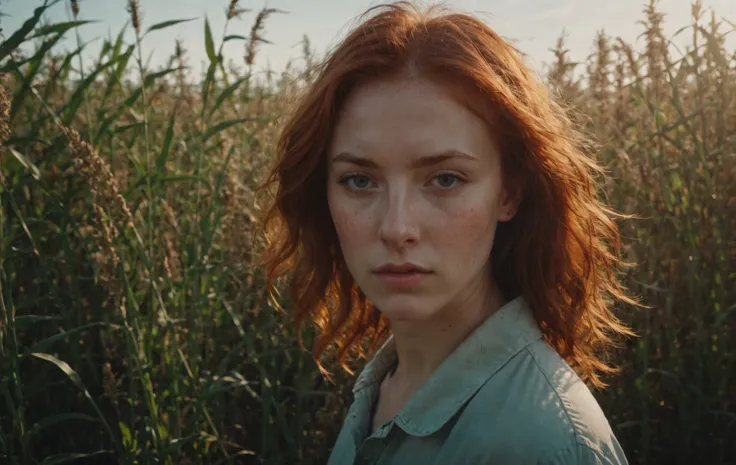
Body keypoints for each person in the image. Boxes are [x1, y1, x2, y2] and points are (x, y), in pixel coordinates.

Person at [258, 1, 637, 463]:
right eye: (360, 180)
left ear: (509, 193)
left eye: (445, 179)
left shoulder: (545, 444)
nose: (397, 228)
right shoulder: (387, 387)